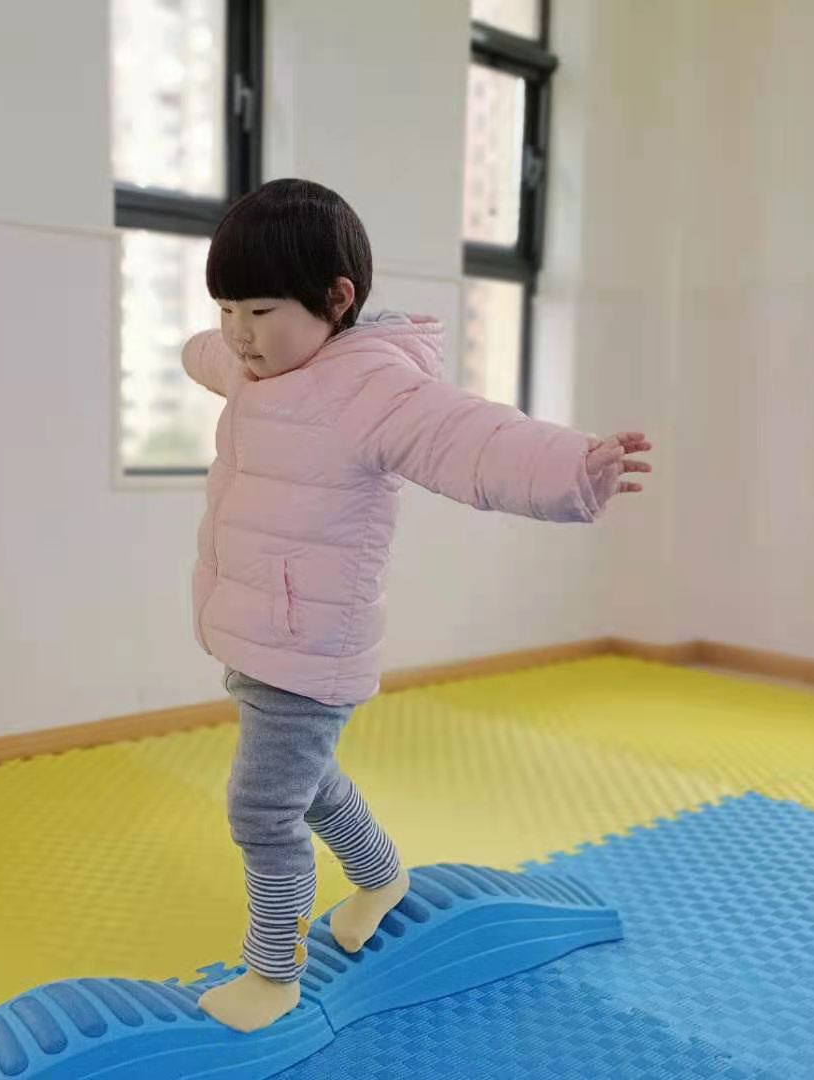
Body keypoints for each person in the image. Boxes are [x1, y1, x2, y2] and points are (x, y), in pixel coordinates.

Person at [181, 178, 652, 1033]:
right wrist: (197, 345)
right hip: (256, 634)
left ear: (337, 300)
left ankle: (273, 974)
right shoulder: (257, 367)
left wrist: (572, 468)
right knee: (310, 784)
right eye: (227, 310)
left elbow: (467, 436)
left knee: (261, 807)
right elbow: (210, 355)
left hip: (310, 646)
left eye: (260, 311)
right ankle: (382, 876)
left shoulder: (374, 387)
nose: (240, 334)